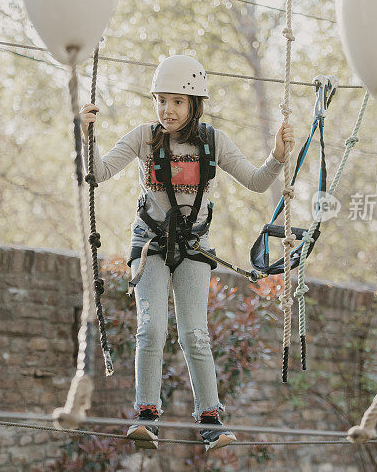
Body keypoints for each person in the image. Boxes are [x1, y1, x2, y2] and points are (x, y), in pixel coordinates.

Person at [79, 55, 294, 451]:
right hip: (150, 246)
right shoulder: (144, 137)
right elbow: (99, 173)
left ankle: (211, 420)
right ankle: (146, 415)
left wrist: (278, 156)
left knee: (195, 334)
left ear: (194, 104)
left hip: (194, 246)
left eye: (177, 101)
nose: (167, 110)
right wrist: (87, 136)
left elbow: (256, 182)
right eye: (161, 100)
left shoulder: (212, 141)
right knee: (152, 327)